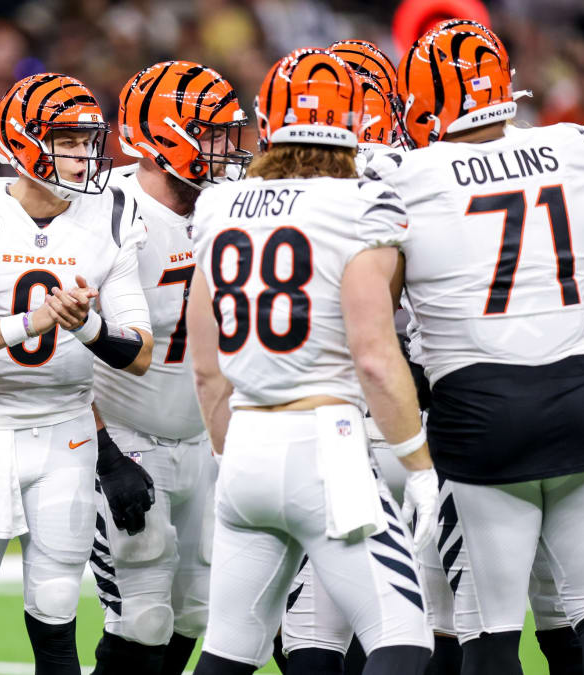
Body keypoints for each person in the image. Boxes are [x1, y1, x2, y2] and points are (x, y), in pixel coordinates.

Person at [367, 26, 584, 674]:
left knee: (489, 627)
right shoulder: (574, 148)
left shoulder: (406, 175)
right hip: (579, 392)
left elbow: (373, 315)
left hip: (477, 407)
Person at [187, 47, 438, 675]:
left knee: (228, 650)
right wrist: (421, 467)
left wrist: (230, 454)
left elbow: (206, 365)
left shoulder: (217, 207)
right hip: (328, 445)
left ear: (267, 121)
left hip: (244, 441)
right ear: (355, 121)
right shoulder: (360, 205)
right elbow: (376, 358)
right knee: (403, 638)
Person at [0, 72, 155, 675]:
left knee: (55, 614)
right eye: (66, 141)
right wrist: (35, 319)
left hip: (66, 432)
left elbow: (140, 350)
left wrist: (85, 327)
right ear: (22, 141)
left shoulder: (114, 214)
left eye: (86, 140)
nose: (82, 156)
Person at [89, 60, 251, 675]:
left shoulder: (229, 207)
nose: (224, 149)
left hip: (204, 437)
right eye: (209, 133)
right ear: (163, 138)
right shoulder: (107, 212)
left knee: (198, 612)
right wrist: (104, 453)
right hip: (129, 435)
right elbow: (65, 348)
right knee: (143, 615)